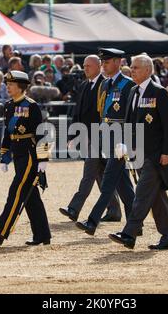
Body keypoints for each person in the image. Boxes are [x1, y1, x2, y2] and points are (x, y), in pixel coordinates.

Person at [108, 54, 168, 250]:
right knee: (156, 198)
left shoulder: (159, 92)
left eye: (136, 67)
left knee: (142, 193)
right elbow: (130, 122)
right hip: (138, 153)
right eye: (131, 67)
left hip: (155, 154)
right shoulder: (132, 92)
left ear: (147, 70)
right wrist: (125, 144)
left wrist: (167, 152)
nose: (132, 70)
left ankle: (129, 233)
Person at [0, 70, 51, 246]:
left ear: (21, 87)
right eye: (7, 84)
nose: (8, 87)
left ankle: (1, 231)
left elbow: (42, 134)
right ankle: (42, 235)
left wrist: (43, 159)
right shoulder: (8, 106)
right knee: (31, 197)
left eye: (11, 84)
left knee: (16, 192)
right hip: (17, 155)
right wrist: (4, 155)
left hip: (30, 155)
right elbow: (8, 132)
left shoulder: (32, 106)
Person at [75, 48, 136, 234]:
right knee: (124, 185)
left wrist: (128, 141)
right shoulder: (105, 85)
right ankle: (135, 225)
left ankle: (92, 221)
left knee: (109, 180)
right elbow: (104, 115)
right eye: (103, 62)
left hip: (120, 140)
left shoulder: (128, 85)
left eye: (107, 61)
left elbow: (132, 116)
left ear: (118, 62)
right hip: (106, 137)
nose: (104, 65)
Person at [59, 55, 121, 222]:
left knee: (89, 173)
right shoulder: (85, 85)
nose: (85, 68)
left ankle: (74, 208)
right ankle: (114, 210)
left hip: (99, 137)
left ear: (98, 66)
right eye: (84, 66)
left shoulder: (105, 84)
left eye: (89, 66)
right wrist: (72, 135)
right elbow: (77, 113)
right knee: (100, 175)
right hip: (87, 137)